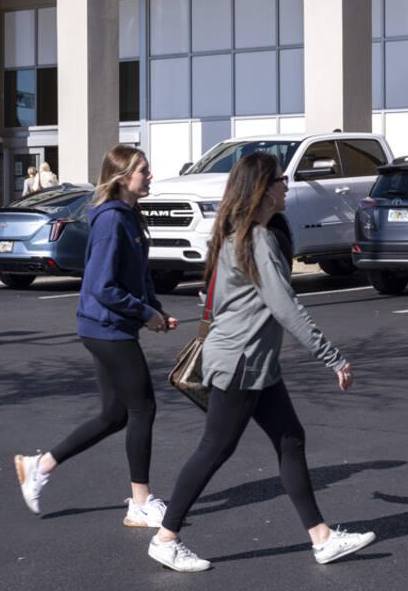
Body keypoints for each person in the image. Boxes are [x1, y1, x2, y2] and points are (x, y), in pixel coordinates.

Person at [148, 151, 375, 573]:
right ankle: (166, 537)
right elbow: (286, 308)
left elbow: (212, 301)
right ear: (264, 190)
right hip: (241, 363)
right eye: (281, 180)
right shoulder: (259, 240)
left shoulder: (233, 235)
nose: (286, 186)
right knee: (215, 449)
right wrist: (333, 357)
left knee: (290, 439)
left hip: (254, 363)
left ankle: (321, 538)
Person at [15, 144, 178, 527]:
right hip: (105, 327)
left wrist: (155, 310)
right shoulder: (111, 221)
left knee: (113, 415)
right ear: (123, 179)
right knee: (143, 408)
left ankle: (38, 467)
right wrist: (145, 314)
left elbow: (136, 274)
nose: (150, 176)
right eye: (144, 170)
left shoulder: (128, 217)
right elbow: (103, 286)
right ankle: (140, 502)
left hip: (109, 325)